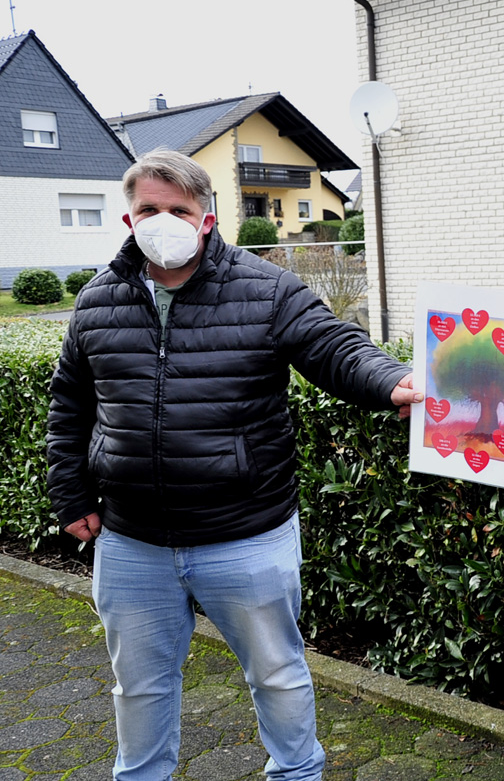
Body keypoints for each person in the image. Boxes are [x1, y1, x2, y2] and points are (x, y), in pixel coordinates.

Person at [46, 149, 422, 781]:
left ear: (208, 220)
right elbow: (71, 403)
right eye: (149, 210)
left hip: (246, 535)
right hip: (133, 541)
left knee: (276, 674)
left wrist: (392, 382)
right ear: (127, 219)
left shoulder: (267, 289)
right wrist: (70, 493)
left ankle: (297, 773)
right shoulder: (96, 300)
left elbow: (336, 347)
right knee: (136, 688)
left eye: (178, 210)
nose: (163, 221)